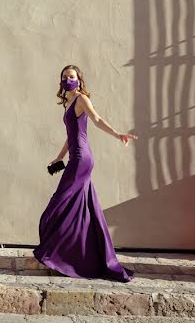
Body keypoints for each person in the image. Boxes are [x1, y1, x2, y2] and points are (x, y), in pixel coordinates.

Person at [34, 64, 136, 282]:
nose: (67, 79)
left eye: (71, 76)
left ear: (79, 79)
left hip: (82, 159)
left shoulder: (81, 99)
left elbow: (97, 120)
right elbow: (70, 135)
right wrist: (60, 156)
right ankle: (79, 258)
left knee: (58, 206)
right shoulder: (69, 102)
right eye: (64, 77)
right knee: (83, 210)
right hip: (76, 157)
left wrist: (118, 134)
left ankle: (56, 256)